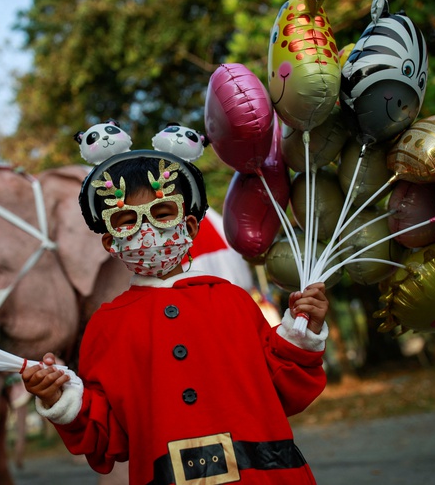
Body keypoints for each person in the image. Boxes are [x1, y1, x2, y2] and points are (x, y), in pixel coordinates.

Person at [22, 148, 330, 484]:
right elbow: (108, 435)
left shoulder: (233, 301)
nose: (146, 230)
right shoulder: (106, 328)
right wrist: (59, 398)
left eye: (162, 212)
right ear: (111, 242)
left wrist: (303, 331)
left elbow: (283, 388)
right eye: (126, 220)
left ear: (190, 225)